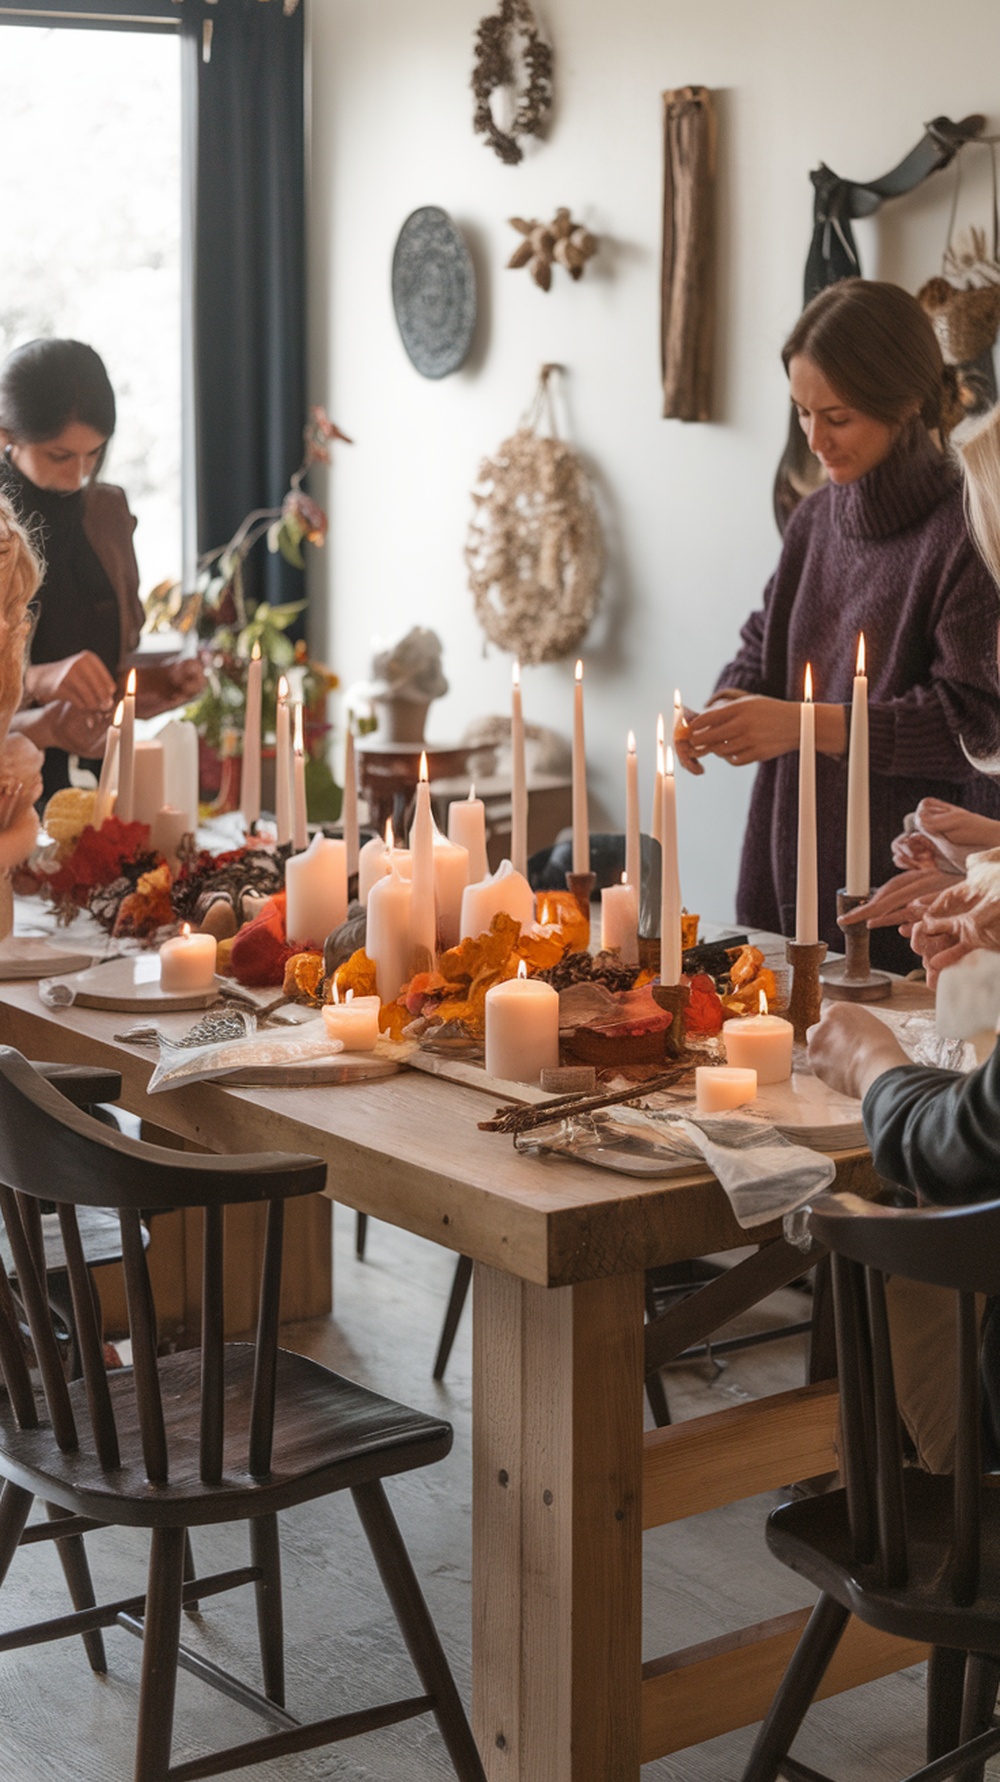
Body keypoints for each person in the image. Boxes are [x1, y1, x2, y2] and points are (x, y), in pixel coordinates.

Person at [676, 280, 1000, 973]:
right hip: (783, 858)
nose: (815, 439)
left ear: (906, 402)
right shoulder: (814, 520)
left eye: (838, 417)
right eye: (801, 414)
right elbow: (763, 643)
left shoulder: (966, 529)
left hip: (907, 891)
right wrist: (726, 706)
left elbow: (969, 726)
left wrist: (800, 725)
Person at [0, 338, 202, 806]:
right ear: (7, 433)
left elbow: (112, 665)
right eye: (60, 455)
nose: (79, 475)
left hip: (101, 781)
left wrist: (165, 681)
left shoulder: (107, 511)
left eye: (94, 454)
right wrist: (37, 679)